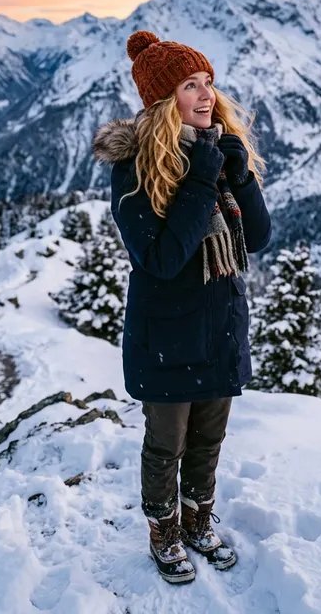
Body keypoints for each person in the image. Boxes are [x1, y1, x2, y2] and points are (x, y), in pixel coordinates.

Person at [92, 30, 272, 584]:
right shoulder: (135, 170)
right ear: (161, 99)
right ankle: (164, 532)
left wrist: (239, 177)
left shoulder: (216, 153)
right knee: (165, 444)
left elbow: (258, 238)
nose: (205, 94)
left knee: (209, 440)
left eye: (208, 82)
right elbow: (164, 258)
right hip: (166, 336)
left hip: (218, 327)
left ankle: (197, 521)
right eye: (189, 85)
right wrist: (202, 174)